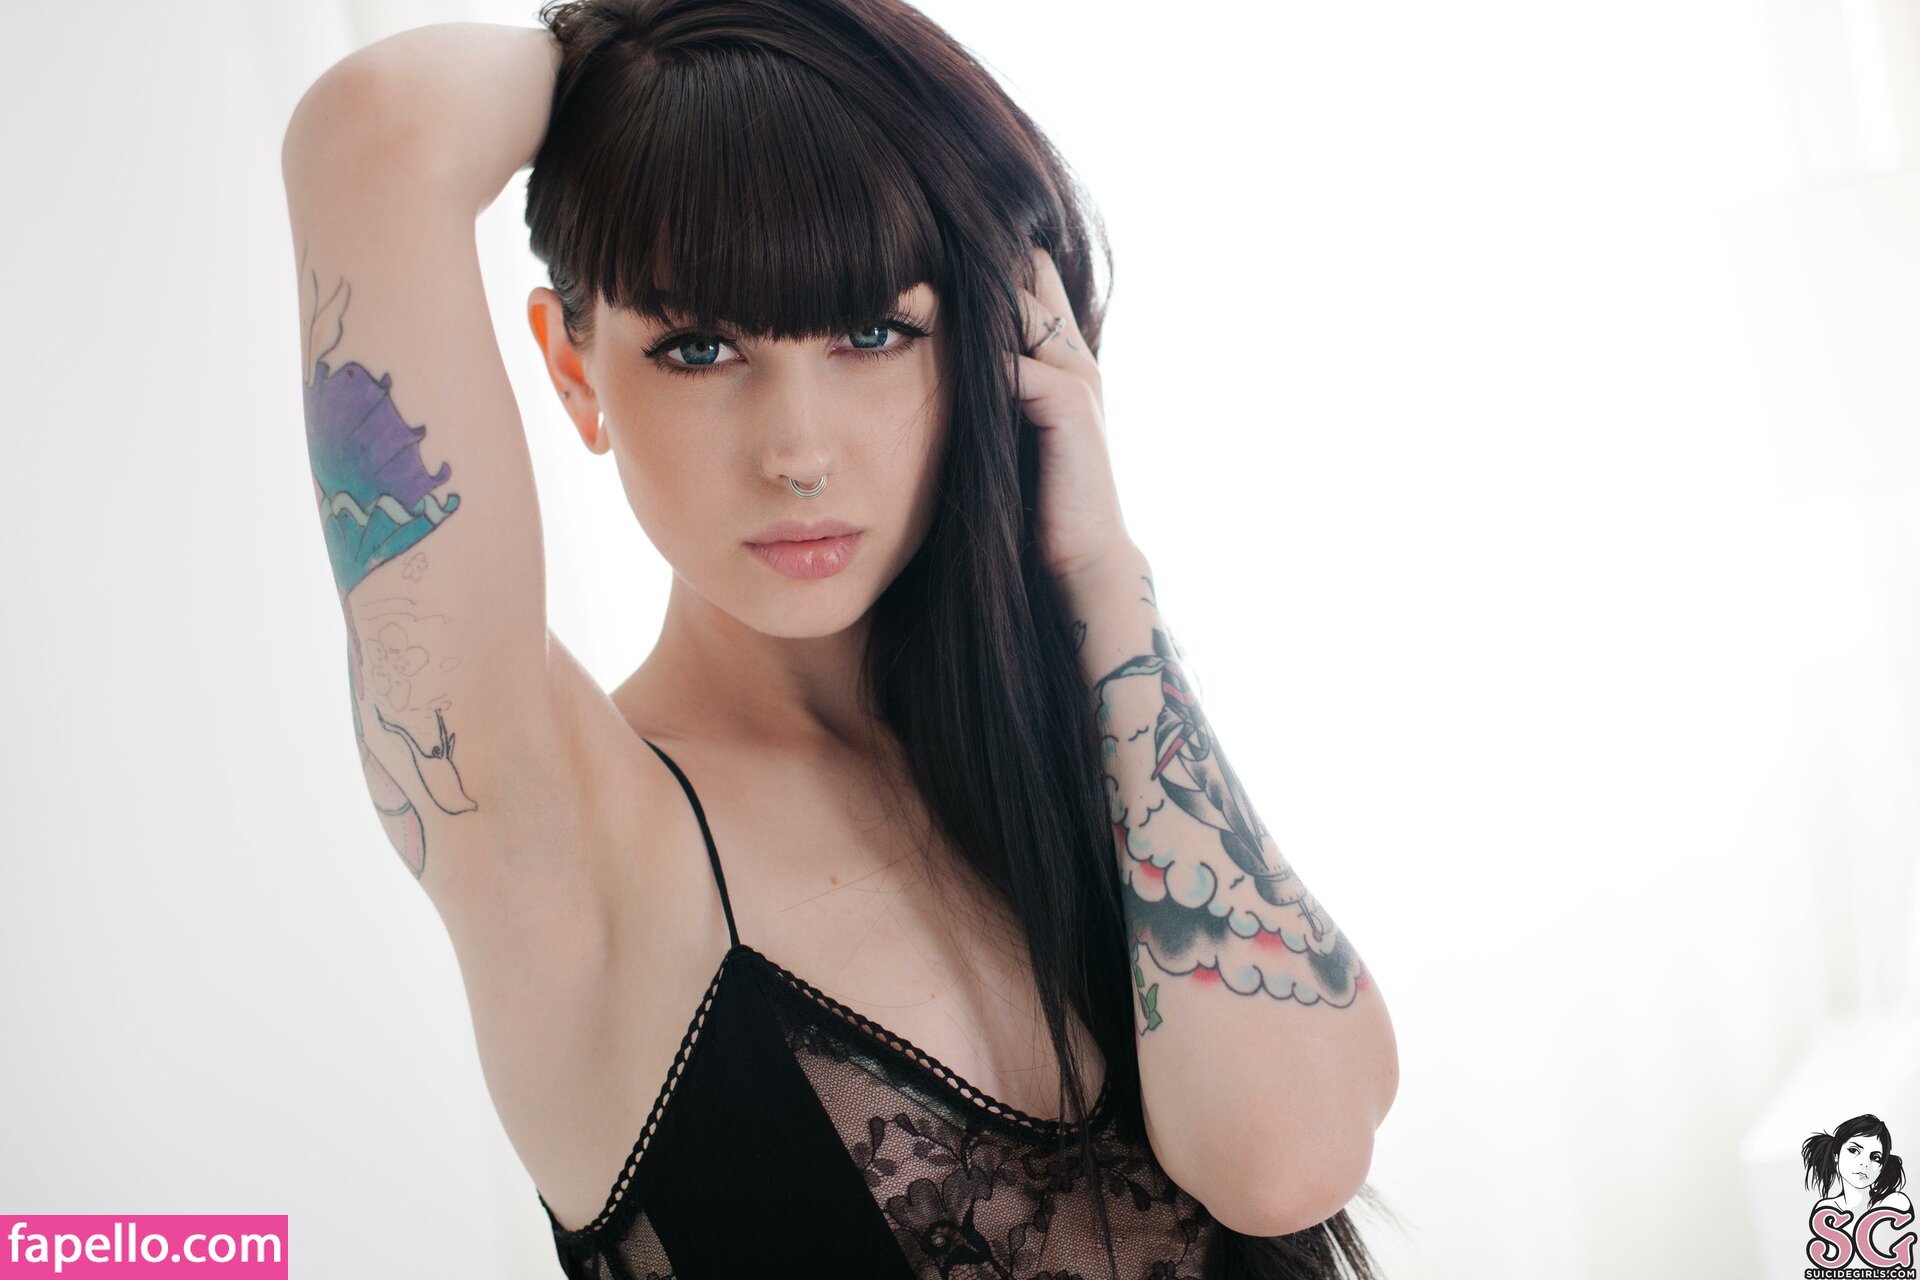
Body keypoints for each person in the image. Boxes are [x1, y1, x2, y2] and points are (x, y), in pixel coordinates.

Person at [280, 2, 1400, 1276]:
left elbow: (1287, 1159)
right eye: (700, 347)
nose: (798, 452)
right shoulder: (551, 825)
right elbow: (376, 129)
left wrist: (1101, 569)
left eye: (872, 334)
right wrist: (628, 55)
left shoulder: (1076, 741)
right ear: (576, 370)